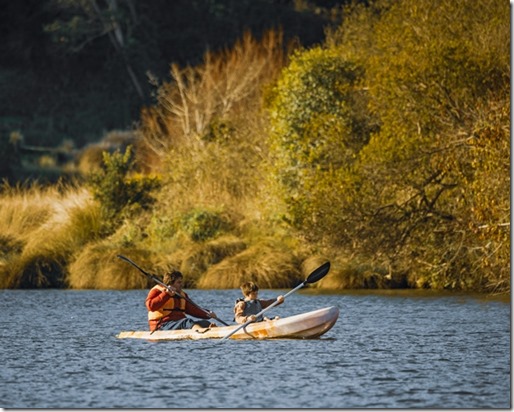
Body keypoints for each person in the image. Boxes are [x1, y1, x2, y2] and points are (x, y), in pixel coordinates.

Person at [145, 270, 217, 332]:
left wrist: (207, 313)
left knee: (205, 323)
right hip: (162, 326)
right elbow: (150, 306)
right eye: (179, 282)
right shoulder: (157, 291)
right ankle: (202, 332)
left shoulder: (182, 295)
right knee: (187, 322)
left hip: (179, 323)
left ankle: (213, 331)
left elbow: (193, 309)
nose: (181, 285)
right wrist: (166, 294)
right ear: (171, 283)